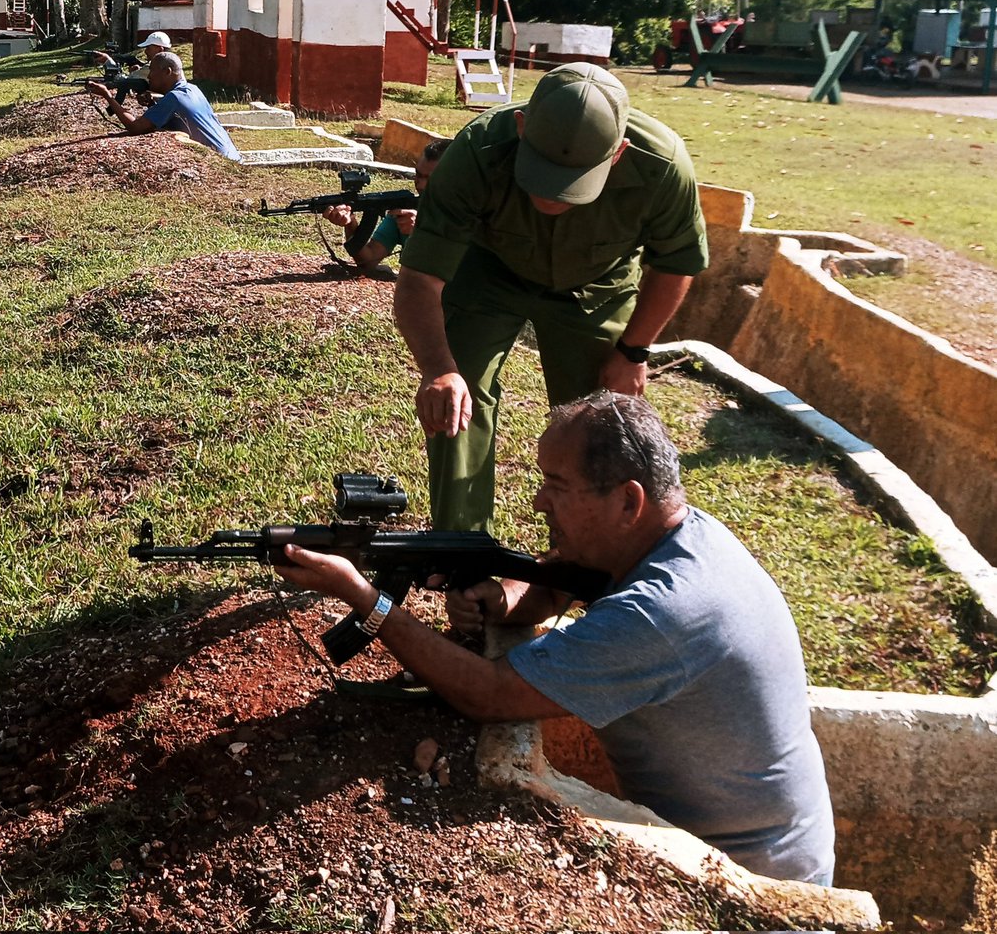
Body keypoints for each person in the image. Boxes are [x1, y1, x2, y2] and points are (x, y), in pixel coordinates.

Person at [274, 390, 835, 887]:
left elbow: (489, 695)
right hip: (756, 841)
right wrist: (508, 598)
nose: (540, 501)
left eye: (557, 486)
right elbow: (563, 569)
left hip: (750, 881)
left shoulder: (665, 612)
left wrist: (365, 600)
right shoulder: (683, 534)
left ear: (628, 501)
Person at [393, 62, 708, 533]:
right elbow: (420, 277)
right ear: (520, 127)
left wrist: (633, 351)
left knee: (602, 420)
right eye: (542, 171)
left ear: (618, 153)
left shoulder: (662, 165)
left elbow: (677, 262)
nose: (555, 195)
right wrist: (439, 369)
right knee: (457, 396)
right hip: (489, 272)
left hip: (597, 285)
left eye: (575, 179)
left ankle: (580, 553)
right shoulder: (477, 150)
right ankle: (460, 548)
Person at [86, 52, 242, 162]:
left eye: (152, 71)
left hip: (219, 161)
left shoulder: (174, 98)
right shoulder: (193, 89)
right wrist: (154, 104)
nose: (149, 77)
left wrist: (107, 96)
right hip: (232, 156)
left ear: (167, 72)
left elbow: (135, 127)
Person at [321, 140, 448, 269]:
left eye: (430, 179)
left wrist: (422, 231)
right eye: (418, 176)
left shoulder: (465, 214)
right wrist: (350, 224)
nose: (420, 184)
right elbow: (368, 260)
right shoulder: (406, 210)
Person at [92, 31, 172, 104]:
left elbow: (122, 80)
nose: (146, 51)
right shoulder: (170, 63)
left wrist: (108, 60)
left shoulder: (157, 67)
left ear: (159, 50)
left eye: (148, 48)